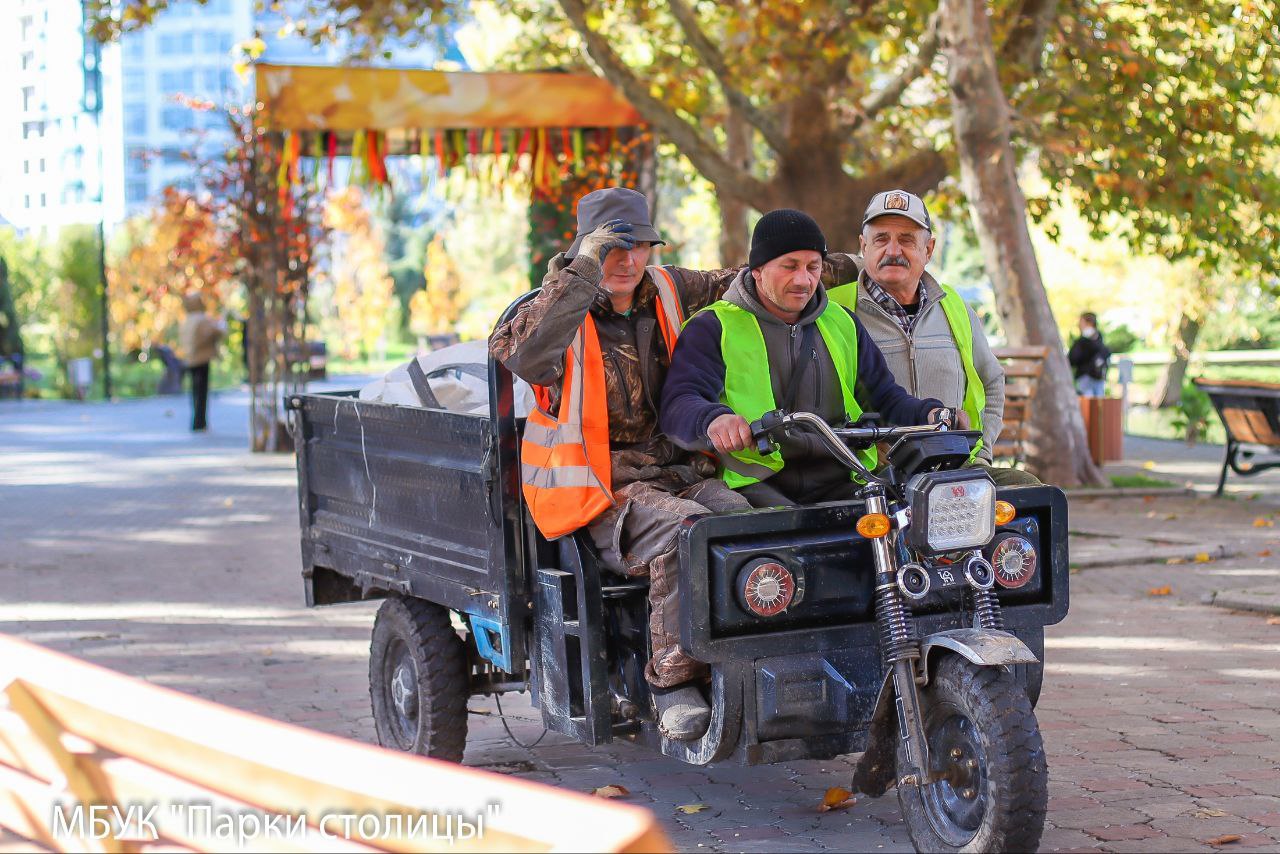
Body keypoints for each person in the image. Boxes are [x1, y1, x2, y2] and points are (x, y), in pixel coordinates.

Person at [490, 188, 860, 740]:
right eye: (611, 248)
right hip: (601, 491)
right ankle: (670, 685)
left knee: (744, 525)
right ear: (584, 248)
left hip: (682, 474)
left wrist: (864, 261)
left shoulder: (667, 288)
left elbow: (765, 272)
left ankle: (737, 664)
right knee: (687, 536)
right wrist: (582, 270)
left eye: (639, 246)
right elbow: (523, 356)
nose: (628, 261)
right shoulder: (549, 311)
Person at [660, 209, 951, 509]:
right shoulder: (713, 326)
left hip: (846, 477)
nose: (803, 279)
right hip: (757, 483)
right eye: (789, 266)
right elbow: (679, 403)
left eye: (813, 267)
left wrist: (930, 414)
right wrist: (713, 420)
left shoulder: (842, 323)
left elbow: (885, 399)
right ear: (757, 269)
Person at [827, 189, 1041, 487]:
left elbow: (991, 380)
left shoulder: (956, 307)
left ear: (928, 249)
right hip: (870, 476)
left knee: (1028, 491)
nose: (893, 251)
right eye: (881, 239)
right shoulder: (833, 309)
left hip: (954, 466)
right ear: (863, 247)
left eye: (906, 240)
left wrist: (981, 454)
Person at [178, 292, 225, 432]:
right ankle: (200, 422)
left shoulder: (186, 320)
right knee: (201, 391)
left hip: (190, 359)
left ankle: (197, 421)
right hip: (201, 359)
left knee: (195, 391)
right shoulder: (201, 319)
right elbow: (216, 332)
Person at [1068, 312, 1110, 398]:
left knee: (1088, 405)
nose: (1079, 325)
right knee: (1098, 403)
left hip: (1085, 377)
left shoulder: (1082, 342)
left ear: (1089, 323)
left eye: (1081, 322)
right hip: (1097, 377)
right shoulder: (1100, 340)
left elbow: (1072, 359)